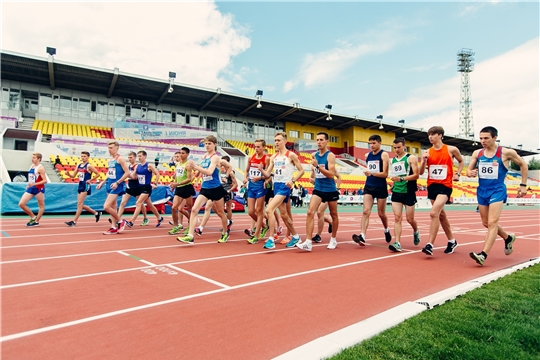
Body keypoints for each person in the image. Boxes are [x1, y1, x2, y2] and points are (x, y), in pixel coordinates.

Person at [466, 126, 527, 266]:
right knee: (486, 223)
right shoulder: (477, 153)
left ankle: (483, 254)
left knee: (492, 222)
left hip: (497, 190)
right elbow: (469, 169)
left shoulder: (505, 153)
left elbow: (523, 165)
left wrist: (523, 185)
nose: (483, 141)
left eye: (486, 138)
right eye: (481, 138)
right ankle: (508, 238)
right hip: (482, 190)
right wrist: (469, 173)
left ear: (495, 137)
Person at [418, 126, 464, 256]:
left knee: (434, 213)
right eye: (429, 135)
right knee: (441, 215)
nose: (430, 137)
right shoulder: (427, 152)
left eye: (433, 134)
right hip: (432, 185)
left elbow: (461, 161)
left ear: (440, 135)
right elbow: (421, 172)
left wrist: (458, 174)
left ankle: (429, 245)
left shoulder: (451, 149)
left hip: (445, 185)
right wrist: (424, 161)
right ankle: (452, 241)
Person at [177, 135, 232, 244]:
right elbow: (202, 170)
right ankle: (190, 235)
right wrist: (196, 174)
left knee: (221, 213)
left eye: (209, 143)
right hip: (205, 188)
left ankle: (225, 233)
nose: (207, 145)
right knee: (194, 209)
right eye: (206, 143)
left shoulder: (215, 157)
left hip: (216, 188)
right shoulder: (205, 156)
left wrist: (225, 175)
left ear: (214, 145)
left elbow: (210, 172)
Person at [259, 132, 304, 249]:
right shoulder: (274, 157)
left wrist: (293, 181)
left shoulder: (291, 155)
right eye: (275, 140)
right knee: (284, 215)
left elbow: (301, 171)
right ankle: (296, 236)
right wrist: (261, 170)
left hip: (285, 186)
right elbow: (268, 174)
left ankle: (270, 239)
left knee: (269, 209)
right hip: (276, 186)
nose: (276, 143)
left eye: (279, 140)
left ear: (285, 141)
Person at [296, 132, 340, 251]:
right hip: (318, 188)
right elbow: (316, 172)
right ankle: (308, 242)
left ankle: (333, 239)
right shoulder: (315, 155)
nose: (319, 142)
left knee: (333, 214)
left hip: (330, 189)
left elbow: (331, 175)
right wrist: (313, 174)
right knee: (310, 212)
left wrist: (318, 166)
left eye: (321, 140)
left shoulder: (330, 156)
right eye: (317, 140)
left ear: (327, 141)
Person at [352, 134, 391, 245]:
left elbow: (385, 174)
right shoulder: (367, 155)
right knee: (366, 211)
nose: (372, 145)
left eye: (374, 143)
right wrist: (369, 173)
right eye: (370, 143)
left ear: (379, 143)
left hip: (381, 187)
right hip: (369, 186)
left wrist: (372, 173)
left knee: (381, 214)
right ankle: (362, 235)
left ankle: (386, 229)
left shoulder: (384, 155)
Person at [387, 138, 420, 252]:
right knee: (397, 218)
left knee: (410, 219)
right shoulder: (393, 160)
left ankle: (416, 231)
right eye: (394, 148)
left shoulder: (410, 158)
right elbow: (396, 175)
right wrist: (393, 183)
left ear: (404, 146)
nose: (396, 150)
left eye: (398, 147)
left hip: (408, 192)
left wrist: (401, 178)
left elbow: (416, 175)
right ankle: (397, 242)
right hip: (397, 192)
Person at [96, 141, 130, 235]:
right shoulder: (110, 160)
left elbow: (127, 173)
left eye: (111, 148)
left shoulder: (120, 159)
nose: (109, 150)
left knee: (106, 206)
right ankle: (113, 227)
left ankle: (120, 221)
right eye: (108, 148)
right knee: (113, 207)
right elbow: (109, 174)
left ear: (117, 148)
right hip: (109, 184)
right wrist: (103, 182)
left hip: (117, 185)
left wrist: (117, 182)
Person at [125, 150, 164, 228]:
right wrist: (126, 175)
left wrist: (155, 183)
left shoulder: (149, 165)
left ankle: (132, 221)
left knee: (138, 203)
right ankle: (160, 218)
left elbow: (157, 173)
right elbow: (133, 176)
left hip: (147, 187)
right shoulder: (138, 166)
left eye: (140, 156)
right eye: (138, 156)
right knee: (149, 204)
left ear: (145, 156)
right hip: (140, 187)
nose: (139, 158)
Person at [244, 139, 270, 244]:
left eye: (259, 147)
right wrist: (245, 178)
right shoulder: (251, 157)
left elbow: (267, 175)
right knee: (250, 212)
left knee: (259, 211)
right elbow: (246, 170)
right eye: (255, 146)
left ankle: (256, 236)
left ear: (264, 147)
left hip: (260, 187)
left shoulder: (266, 159)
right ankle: (264, 226)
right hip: (251, 186)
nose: (256, 149)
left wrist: (260, 178)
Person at [65, 151, 102, 226]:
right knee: (80, 204)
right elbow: (73, 176)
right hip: (80, 185)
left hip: (86, 185)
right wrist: (68, 174)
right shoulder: (79, 165)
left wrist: (90, 180)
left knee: (79, 204)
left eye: (84, 156)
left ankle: (74, 221)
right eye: (82, 156)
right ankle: (96, 213)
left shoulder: (89, 166)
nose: (83, 157)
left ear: (88, 157)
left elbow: (98, 174)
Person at [168, 148, 195, 235]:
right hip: (179, 188)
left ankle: (190, 226)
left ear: (187, 154)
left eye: (183, 153)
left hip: (187, 188)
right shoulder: (178, 164)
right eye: (180, 153)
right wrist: (174, 183)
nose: (181, 154)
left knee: (190, 208)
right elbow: (177, 176)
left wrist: (177, 183)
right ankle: (176, 226)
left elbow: (189, 179)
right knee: (174, 208)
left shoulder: (188, 165)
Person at [118, 151, 148, 225]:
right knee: (122, 203)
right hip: (130, 187)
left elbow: (135, 177)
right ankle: (117, 219)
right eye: (128, 158)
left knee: (140, 204)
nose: (129, 159)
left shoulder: (137, 166)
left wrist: (127, 175)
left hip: (137, 187)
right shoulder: (129, 166)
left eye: (131, 157)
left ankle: (145, 218)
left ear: (135, 158)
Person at [19, 152, 47, 227]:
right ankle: (33, 217)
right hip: (31, 187)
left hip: (38, 188)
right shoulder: (32, 166)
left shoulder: (41, 168)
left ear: (39, 159)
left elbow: (45, 181)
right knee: (21, 204)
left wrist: (34, 184)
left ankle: (37, 221)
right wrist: (29, 184)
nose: (32, 159)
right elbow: (31, 178)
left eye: (34, 158)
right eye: (32, 158)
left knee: (41, 205)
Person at [220, 155, 238, 233]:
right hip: (220, 191)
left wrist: (229, 190)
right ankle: (226, 222)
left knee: (228, 208)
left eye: (224, 162)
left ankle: (228, 223)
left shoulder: (231, 172)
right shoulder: (220, 171)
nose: (223, 164)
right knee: (219, 209)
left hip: (228, 191)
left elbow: (235, 184)